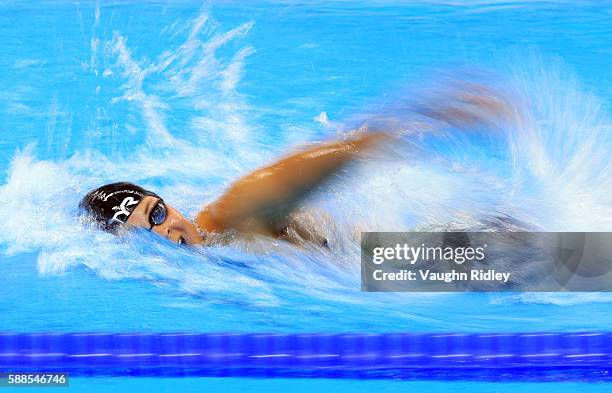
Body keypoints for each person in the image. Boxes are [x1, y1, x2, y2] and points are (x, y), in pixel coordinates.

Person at [80, 132, 388, 246]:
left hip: (377, 255)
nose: (165, 232)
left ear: (166, 203)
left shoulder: (225, 219)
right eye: (144, 233)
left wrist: (376, 140)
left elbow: (283, 177)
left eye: (157, 214)